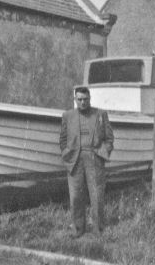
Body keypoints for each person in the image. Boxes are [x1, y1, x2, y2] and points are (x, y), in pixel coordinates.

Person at [59, 86, 114, 238]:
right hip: (74, 160)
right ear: (75, 100)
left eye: (85, 99)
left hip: (94, 158)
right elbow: (63, 139)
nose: (83, 102)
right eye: (79, 99)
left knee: (97, 196)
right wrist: (66, 154)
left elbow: (109, 138)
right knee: (76, 196)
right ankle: (78, 230)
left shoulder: (100, 114)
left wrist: (103, 153)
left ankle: (98, 230)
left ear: (90, 99)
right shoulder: (67, 116)